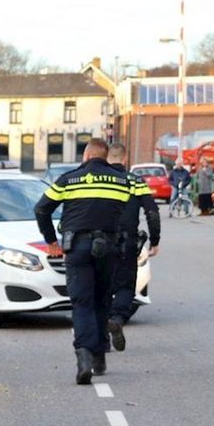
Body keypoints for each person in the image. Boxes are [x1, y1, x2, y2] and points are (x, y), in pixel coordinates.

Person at [34, 138, 132, 384]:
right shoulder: (122, 181)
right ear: (106, 156)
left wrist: (51, 240)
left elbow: (41, 209)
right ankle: (99, 359)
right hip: (108, 248)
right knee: (101, 301)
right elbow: (123, 211)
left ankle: (85, 357)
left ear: (86, 156)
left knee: (82, 303)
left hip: (77, 248)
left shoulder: (69, 179)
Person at [106, 144, 160, 352]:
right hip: (127, 241)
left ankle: (102, 326)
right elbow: (152, 212)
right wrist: (155, 241)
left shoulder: (99, 180)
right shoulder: (135, 181)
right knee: (126, 286)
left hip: (99, 241)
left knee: (101, 284)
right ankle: (117, 318)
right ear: (125, 158)